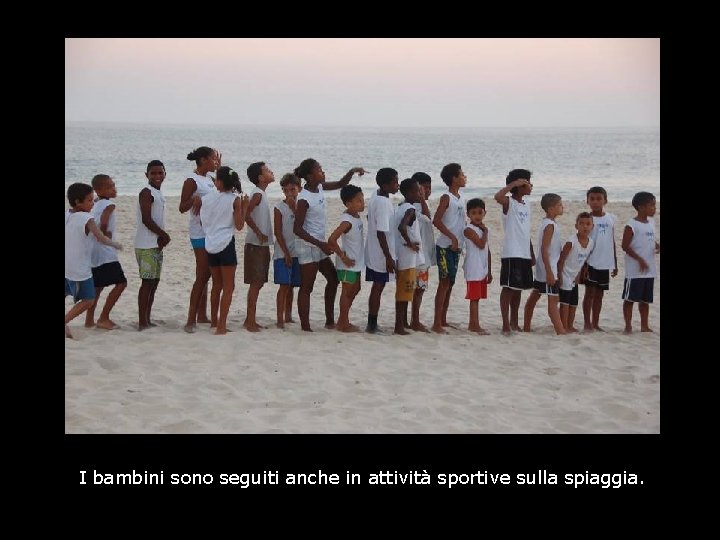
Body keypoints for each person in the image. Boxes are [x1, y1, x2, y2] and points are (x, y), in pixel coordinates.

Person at [293, 158, 367, 332]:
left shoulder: (319, 187)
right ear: (310, 176)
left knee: (333, 279)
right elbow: (297, 229)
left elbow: (341, 184)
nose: (323, 172)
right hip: (308, 245)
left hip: (320, 244)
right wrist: (321, 244)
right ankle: (305, 327)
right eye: (319, 170)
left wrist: (353, 170)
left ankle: (330, 321)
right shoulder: (304, 198)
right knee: (307, 287)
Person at [65, 183, 123, 339]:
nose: (93, 203)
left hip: (67, 264)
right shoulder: (87, 218)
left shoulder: (67, 214)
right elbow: (101, 237)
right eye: (90, 201)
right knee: (89, 299)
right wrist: (115, 244)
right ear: (78, 202)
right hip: (79, 267)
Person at [200, 166, 248, 335]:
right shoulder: (235, 199)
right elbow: (240, 225)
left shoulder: (207, 197)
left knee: (216, 285)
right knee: (228, 287)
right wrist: (245, 207)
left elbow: (202, 221)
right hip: (226, 243)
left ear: (219, 181)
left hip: (210, 243)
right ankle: (221, 326)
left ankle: (214, 321)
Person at [180, 146, 220, 333]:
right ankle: (190, 320)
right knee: (203, 275)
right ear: (203, 160)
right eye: (213, 159)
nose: (215, 161)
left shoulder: (211, 179)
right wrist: (194, 201)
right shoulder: (192, 180)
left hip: (212, 232)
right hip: (199, 233)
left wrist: (220, 170)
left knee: (207, 275)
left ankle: (202, 315)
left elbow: (225, 191)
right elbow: (182, 207)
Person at [494, 169, 535, 334]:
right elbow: (497, 197)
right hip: (512, 252)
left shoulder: (527, 205)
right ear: (520, 184)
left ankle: (514, 322)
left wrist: (531, 252)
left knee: (518, 289)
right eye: (528, 182)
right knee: (508, 288)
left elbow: (526, 231)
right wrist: (513, 184)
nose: (531, 185)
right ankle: (505, 324)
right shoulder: (509, 203)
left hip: (524, 252)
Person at [84, 174, 127, 330]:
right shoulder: (109, 205)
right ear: (99, 190)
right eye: (109, 187)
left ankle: (89, 320)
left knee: (97, 286)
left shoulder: (95, 203)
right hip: (105, 251)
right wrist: (105, 233)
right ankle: (104, 317)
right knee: (121, 283)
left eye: (113, 185)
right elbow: (104, 221)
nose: (113, 189)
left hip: (93, 251)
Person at [135, 160, 171, 331]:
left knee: (154, 283)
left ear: (165, 174)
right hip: (146, 244)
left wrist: (161, 238)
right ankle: (142, 322)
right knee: (147, 283)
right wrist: (163, 234)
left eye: (160, 173)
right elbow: (146, 219)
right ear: (146, 175)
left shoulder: (159, 193)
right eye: (153, 173)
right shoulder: (146, 192)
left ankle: (147, 319)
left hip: (155, 245)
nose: (157, 176)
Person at [523, 193, 566, 335]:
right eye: (560, 205)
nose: (562, 207)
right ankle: (560, 330)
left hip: (546, 268)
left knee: (535, 295)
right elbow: (544, 249)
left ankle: (527, 327)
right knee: (552, 300)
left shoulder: (549, 223)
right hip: (548, 268)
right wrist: (549, 271)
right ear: (551, 209)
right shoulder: (549, 226)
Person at [432, 163, 467, 333]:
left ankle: (443, 320)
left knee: (450, 283)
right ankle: (436, 323)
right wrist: (452, 237)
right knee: (444, 283)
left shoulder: (461, 197)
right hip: (445, 247)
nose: (464, 177)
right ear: (454, 178)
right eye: (461, 174)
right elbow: (436, 220)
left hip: (457, 247)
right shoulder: (446, 197)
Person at [364, 167, 400, 334]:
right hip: (380, 253)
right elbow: (381, 233)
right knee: (378, 286)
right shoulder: (383, 203)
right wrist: (388, 258)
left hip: (374, 250)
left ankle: (372, 322)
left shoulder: (376, 196)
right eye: (394, 182)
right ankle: (372, 324)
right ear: (385, 185)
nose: (397, 185)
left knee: (377, 287)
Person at [327, 184, 365, 333]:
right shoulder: (347, 221)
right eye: (358, 201)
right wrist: (343, 257)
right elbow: (332, 239)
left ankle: (343, 319)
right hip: (347, 264)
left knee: (356, 289)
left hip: (356, 262)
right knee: (347, 292)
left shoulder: (355, 216)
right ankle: (343, 323)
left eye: (362, 199)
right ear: (348, 204)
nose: (362, 203)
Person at [243, 161, 275, 332]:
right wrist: (258, 232)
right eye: (268, 171)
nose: (271, 172)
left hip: (260, 245)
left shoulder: (261, 193)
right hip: (255, 244)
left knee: (259, 283)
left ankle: (250, 319)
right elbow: (246, 214)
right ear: (261, 178)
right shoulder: (257, 194)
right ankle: (250, 321)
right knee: (256, 283)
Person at [621, 191, 660, 333]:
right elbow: (625, 246)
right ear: (641, 207)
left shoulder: (651, 223)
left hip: (649, 270)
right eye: (651, 205)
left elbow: (648, 240)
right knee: (630, 299)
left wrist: (657, 246)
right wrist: (639, 259)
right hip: (635, 271)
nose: (654, 208)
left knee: (645, 301)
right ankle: (628, 325)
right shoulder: (631, 224)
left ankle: (644, 325)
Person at [582, 186, 618, 332]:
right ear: (587, 201)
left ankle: (595, 323)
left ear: (605, 200)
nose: (595, 202)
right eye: (592, 199)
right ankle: (587, 323)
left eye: (599, 199)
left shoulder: (611, 218)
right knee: (589, 293)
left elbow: (612, 240)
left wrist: (615, 262)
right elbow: (582, 241)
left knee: (599, 294)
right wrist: (583, 263)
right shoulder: (587, 219)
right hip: (590, 262)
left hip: (605, 262)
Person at [394, 178, 425, 335]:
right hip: (407, 257)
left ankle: (403, 322)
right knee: (404, 292)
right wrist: (411, 243)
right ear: (409, 193)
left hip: (403, 255)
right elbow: (402, 227)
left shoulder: (401, 206)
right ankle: (399, 326)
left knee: (405, 291)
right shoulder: (410, 209)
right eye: (417, 191)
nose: (420, 193)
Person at [557, 212, 594, 333]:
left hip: (574, 276)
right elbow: (561, 260)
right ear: (576, 226)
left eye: (588, 224)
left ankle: (570, 325)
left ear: (592, 226)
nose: (585, 226)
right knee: (565, 302)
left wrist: (581, 273)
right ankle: (563, 325)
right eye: (581, 224)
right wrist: (559, 276)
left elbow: (584, 260)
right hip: (565, 274)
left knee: (574, 302)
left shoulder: (591, 242)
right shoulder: (571, 242)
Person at [273, 173, 302, 329]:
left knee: (292, 286)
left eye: (293, 189)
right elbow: (277, 232)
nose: (290, 193)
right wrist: (286, 253)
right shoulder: (279, 207)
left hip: (298, 251)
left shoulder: (302, 206)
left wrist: (295, 208)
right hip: (282, 252)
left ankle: (288, 315)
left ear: (299, 189)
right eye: (286, 190)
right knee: (284, 285)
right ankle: (279, 319)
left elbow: (302, 224)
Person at [462, 198, 492, 334]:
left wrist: (489, 271)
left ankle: (473, 323)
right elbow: (480, 244)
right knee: (474, 298)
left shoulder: (482, 229)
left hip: (482, 268)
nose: (477, 216)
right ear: (468, 215)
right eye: (473, 213)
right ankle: (474, 325)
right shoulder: (469, 229)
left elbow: (487, 250)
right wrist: (485, 232)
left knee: (477, 298)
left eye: (480, 213)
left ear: (484, 213)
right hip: (473, 268)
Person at [410, 172, 435, 332]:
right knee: (415, 290)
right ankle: (414, 321)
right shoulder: (414, 207)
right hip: (416, 257)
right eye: (423, 188)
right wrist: (421, 199)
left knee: (420, 289)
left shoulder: (422, 205)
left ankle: (414, 319)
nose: (427, 191)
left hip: (423, 255)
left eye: (429, 187)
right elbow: (427, 216)